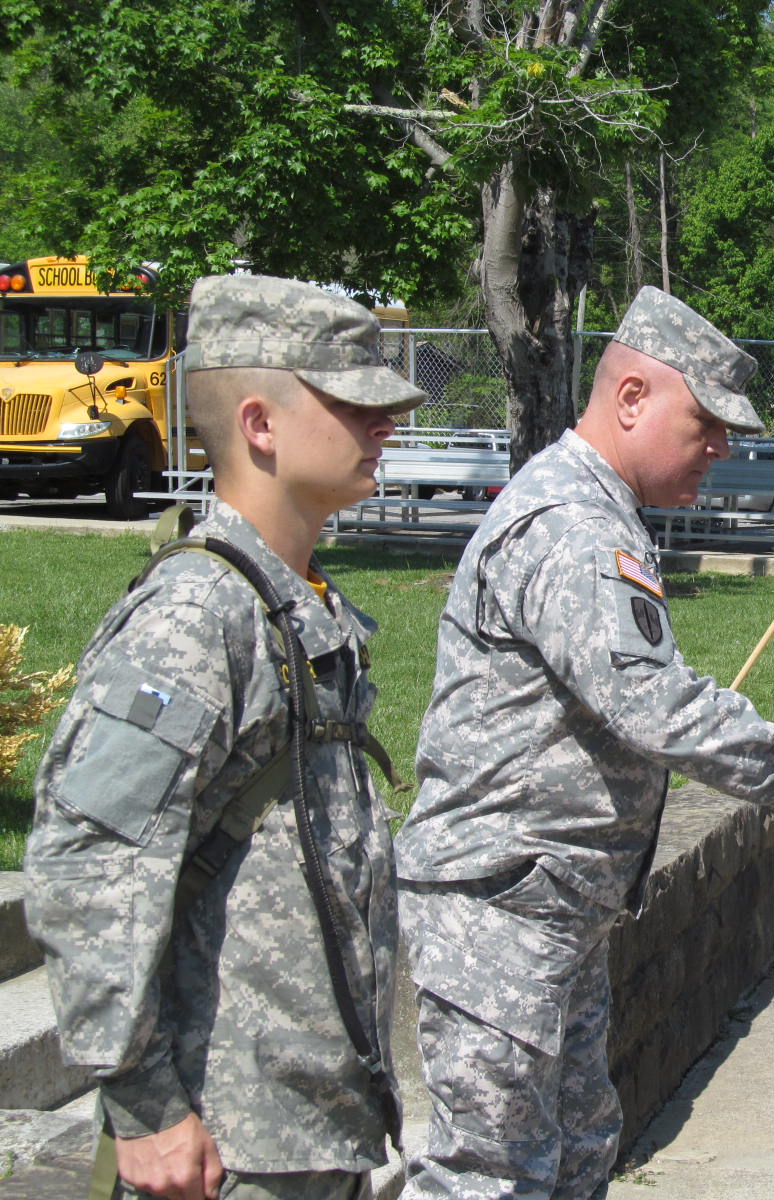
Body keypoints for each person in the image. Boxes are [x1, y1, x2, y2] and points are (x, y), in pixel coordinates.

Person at [394, 284, 774, 1200]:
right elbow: (658, 707)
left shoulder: (597, 514)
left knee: (575, 1154)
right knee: (491, 1178)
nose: (723, 446)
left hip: (550, 912)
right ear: (631, 397)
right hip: (500, 915)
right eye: (707, 421)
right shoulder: (571, 527)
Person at [25, 275, 426, 1200]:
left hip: (304, 1125)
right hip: (224, 1146)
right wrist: (147, 1107)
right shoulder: (197, 618)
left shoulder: (292, 606)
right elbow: (86, 863)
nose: (385, 426)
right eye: (354, 403)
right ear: (260, 424)